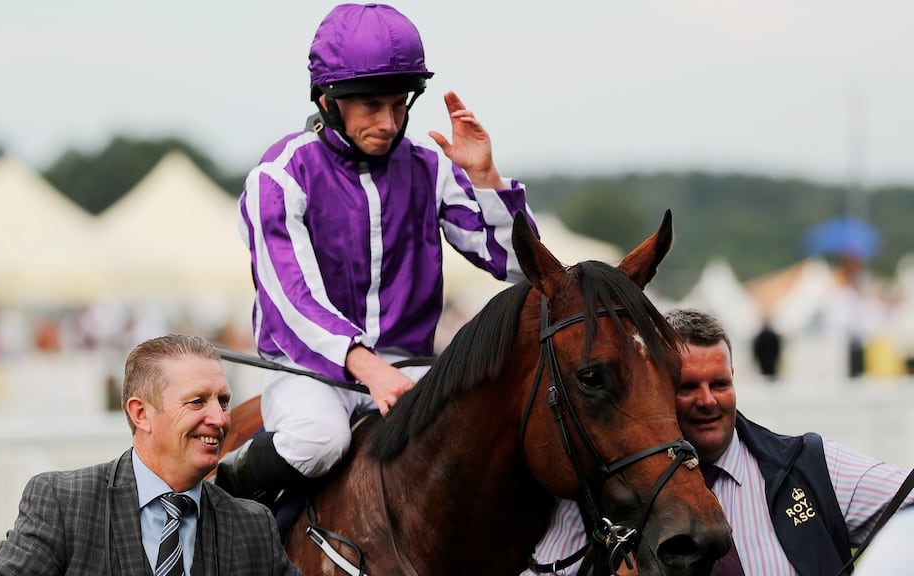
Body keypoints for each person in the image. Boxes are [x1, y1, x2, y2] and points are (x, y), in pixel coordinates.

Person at [219, 3, 537, 500]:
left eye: (399, 104)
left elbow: (517, 265)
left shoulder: (430, 169)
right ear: (327, 100)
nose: (390, 122)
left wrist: (485, 178)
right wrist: (367, 368)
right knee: (317, 440)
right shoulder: (280, 176)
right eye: (372, 106)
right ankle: (227, 488)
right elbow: (291, 297)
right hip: (310, 371)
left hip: (408, 364)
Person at [525, 308, 914, 575]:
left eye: (720, 384)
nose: (708, 400)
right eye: (688, 386)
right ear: (657, 391)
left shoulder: (809, 465)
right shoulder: (598, 495)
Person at [0, 334, 301, 576]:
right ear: (141, 413)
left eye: (224, 401)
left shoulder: (253, 525)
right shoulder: (64, 504)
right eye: (197, 401)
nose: (220, 419)